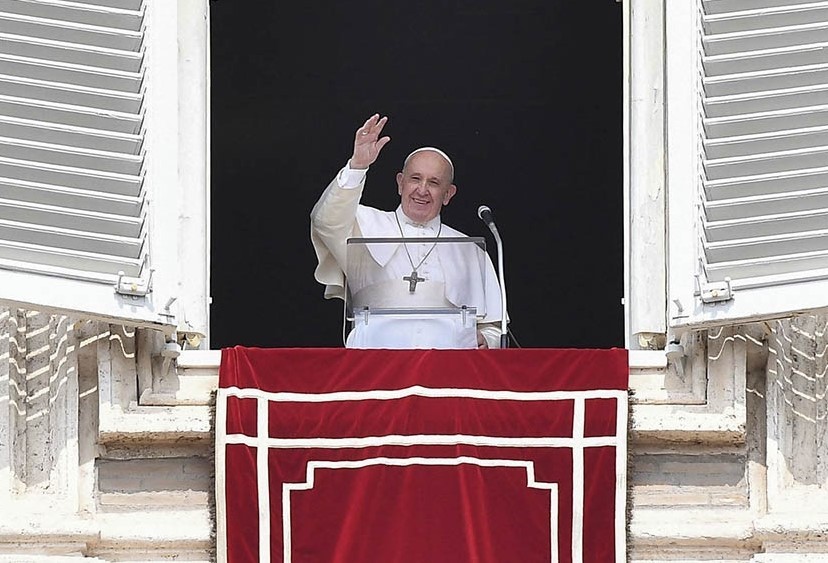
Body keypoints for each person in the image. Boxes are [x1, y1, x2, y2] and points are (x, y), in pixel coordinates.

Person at [311, 114, 504, 348]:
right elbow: (325, 221)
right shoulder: (363, 224)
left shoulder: (470, 250)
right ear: (400, 183)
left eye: (434, 183)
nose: (422, 190)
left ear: (448, 194)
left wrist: (487, 339)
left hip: (448, 372)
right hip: (376, 366)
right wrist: (357, 166)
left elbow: (493, 327)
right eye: (415, 179)